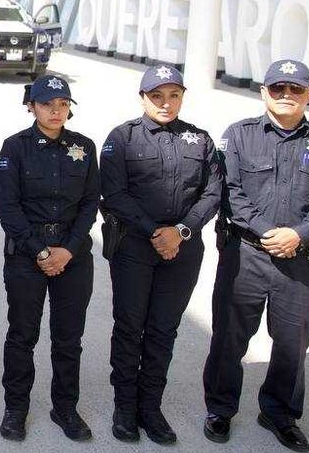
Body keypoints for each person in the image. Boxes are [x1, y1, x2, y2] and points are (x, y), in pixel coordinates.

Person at [202, 59, 309, 452]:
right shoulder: (238, 136)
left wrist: (297, 234)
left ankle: (279, 413)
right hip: (246, 256)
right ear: (264, 91)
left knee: (292, 342)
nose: (286, 95)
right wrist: (269, 233)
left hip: (301, 259)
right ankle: (220, 408)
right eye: (278, 88)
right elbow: (229, 190)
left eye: (295, 89)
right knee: (229, 339)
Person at [99, 64, 222, 444]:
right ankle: (125, 406)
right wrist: (156, 231)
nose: (166, 103)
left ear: (182, 97)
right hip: (135, 247)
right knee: (129, 326)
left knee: (163, 329)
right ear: (143, 98)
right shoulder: (122, 139)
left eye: (173, 95)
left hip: (182, 250)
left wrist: (181, 231)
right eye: (157, 96)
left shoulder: (200, 140)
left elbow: (213, 191)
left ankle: (150, 407)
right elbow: (114, 194)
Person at [0, 74, 99, 442]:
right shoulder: (14, 147)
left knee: (69, 338)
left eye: (63, 105)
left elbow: (90, 204)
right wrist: (40, 251)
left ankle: (65, 407)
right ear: (31, 107)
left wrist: (67, 250)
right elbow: (8, 209)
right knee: (23, 334)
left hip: (73, 255)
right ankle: (16, 407)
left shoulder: (84, 147)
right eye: (47, 105)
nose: (56, 111)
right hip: (27, 255)